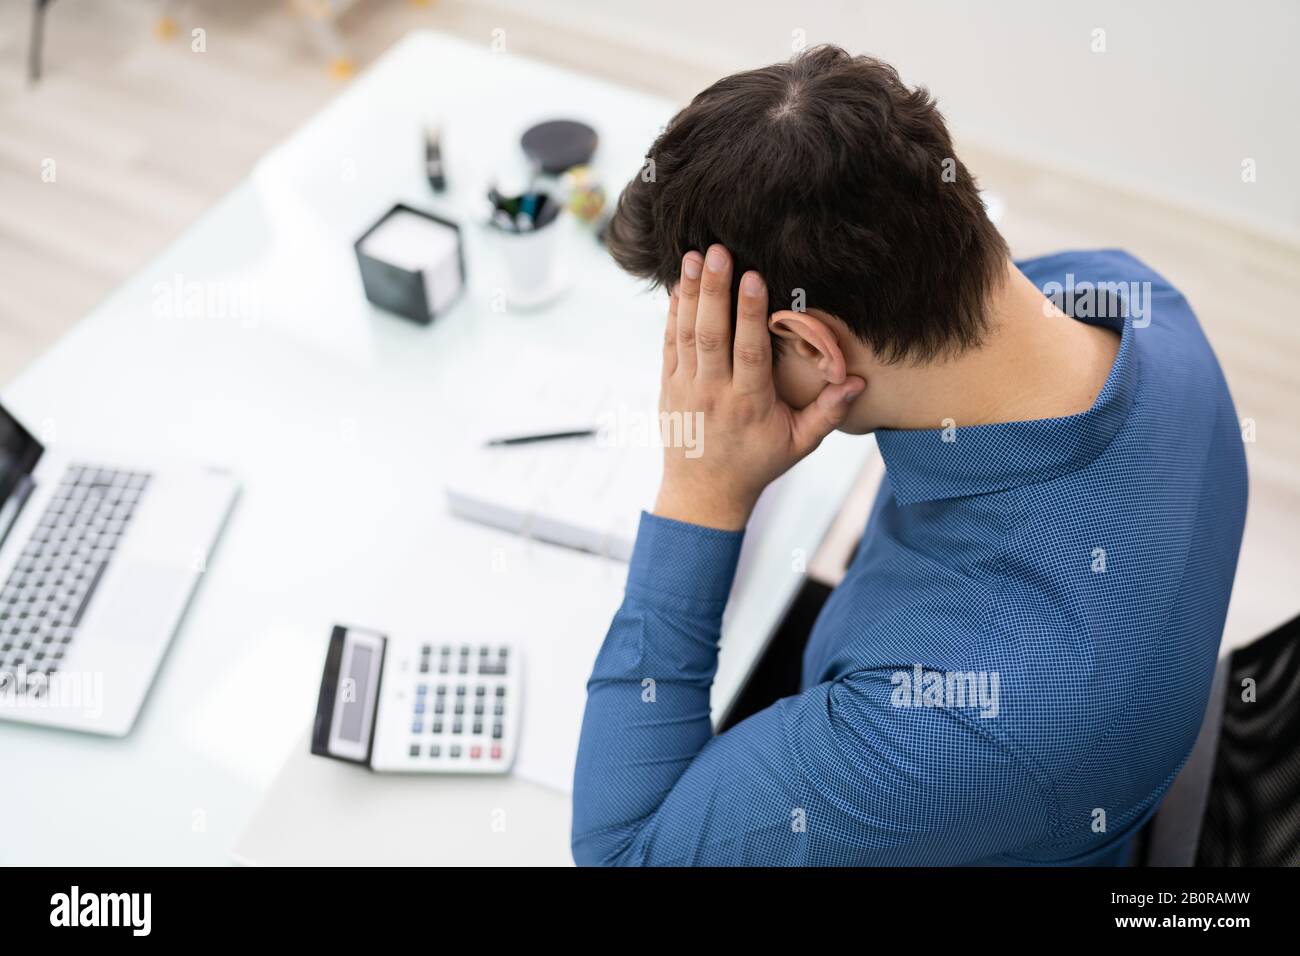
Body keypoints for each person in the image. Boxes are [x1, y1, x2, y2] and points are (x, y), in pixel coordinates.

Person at [571, 45, 1248, 865]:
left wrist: (701, 487)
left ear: (809, 346)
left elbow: (619, 853)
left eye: (713, 345)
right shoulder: (1135, 299)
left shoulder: (944, 732)